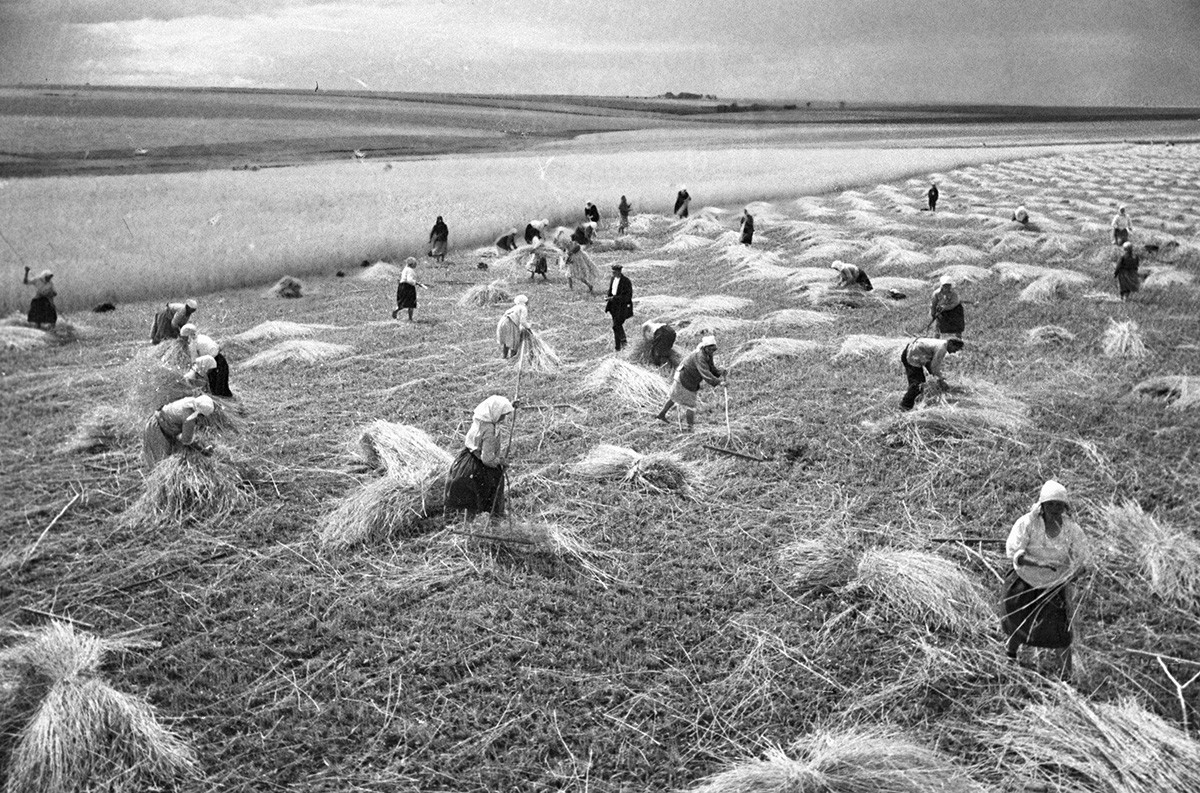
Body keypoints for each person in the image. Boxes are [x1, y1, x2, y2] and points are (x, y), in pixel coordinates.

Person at [1002, 480, 1088, 679]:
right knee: (1019, 622)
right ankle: (1011, 654)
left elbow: (1083, 559)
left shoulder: (1072, 530)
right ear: (1042, 506)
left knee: (1060, 632)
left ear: (1065, 507)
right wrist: (1041, 564)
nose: (1055, 509)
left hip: (1053, 586)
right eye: (1051, 504)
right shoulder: (1028, 523)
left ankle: (1067, 677)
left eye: (1059, 505)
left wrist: (1073, 574)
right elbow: (1016, 554)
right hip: (1024, 581)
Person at [444, 395, 515, 522]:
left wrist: (511, 405)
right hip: (479, 466)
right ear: (495, 412)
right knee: (492, 494)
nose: (504, 418)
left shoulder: (480, 419)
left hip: (466, 460)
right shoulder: (489, 431)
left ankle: (468, 525)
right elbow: (487, 459)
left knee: (470, 503)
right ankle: (495, 521)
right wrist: (501, 461)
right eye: (502, 414)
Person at [656, 335, 724, 431]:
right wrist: (718, 382)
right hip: (685, 378)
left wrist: (719, 372)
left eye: (713, 350)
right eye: (710, 350)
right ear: (705, 348)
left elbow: (711, 367)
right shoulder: (699, 356)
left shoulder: (708, 353)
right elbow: (705, 372)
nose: (712, 352)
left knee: (675, 397)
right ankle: (690, 427)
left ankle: (661, 415)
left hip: (689, 378)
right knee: (690, 404)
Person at [142, 394, 215, 469]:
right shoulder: (189, 417)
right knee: (160, 465)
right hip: (157, 430)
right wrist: (203, 450)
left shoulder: (191, 401)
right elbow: (186, 440)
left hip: (159, 423)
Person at [899, 336, 963, 411]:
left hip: (912, 353)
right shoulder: (941, 348)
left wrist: (938, 376)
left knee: (918, 384)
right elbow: (934, 367)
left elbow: (930, 364)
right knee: (918, 384)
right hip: (911, 356)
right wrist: (940, 380)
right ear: (951, 343)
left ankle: (914, 404)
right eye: (955, 349)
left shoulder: (941, 344)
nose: (954, 352)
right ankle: (904, 406)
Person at [180, 324, 233, 398]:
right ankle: (229, 402)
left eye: (184, 337)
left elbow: (195, 361)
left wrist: (191, 373)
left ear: (189, 335)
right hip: (221, 360)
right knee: (222, 387)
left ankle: (224, 405)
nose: (184, 340)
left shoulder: (194, 343)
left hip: (215, 364)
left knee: (217, 389)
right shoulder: (202, 337)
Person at [604, 264, 633, 351]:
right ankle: (618, 347)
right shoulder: (613, 279)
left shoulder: (626, 281)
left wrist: (614, 298)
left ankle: (624, 342)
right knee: (616, 325)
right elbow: (611, 290)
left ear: (619, 271)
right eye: (612, 272)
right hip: (613, 306)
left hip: (622, 306)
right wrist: (608, 297)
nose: (612, 273)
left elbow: (627, 296)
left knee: (616, 325)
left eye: (614, 272)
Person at [496, 295, 530, 359]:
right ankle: (513, 358)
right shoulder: (523, 308)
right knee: (514, 342)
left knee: (506, 341)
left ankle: (504, 357)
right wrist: (528, 327)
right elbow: (522, 321)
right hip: (510, 323)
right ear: (524, 302)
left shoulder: (515, 307)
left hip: (502, 322)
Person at [393, 257, 424, 321]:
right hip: (408, 287)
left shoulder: (405, 269)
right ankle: (410, 318)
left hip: (401, 286)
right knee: (411, 304)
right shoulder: (410, 270)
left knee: (402, 302)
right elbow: (409, 280)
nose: (416, 265)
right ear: (412, 264)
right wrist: (416, 283)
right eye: (415, 264)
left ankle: (396, 310)